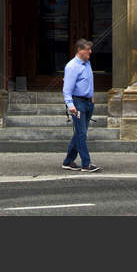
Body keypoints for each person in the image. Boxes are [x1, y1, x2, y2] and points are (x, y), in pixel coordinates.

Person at [61, 38, 100, 172]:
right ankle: (86, 164)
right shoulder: (72, 66)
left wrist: (91, 97)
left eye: (90, 48)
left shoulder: (87, 63)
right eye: (87, 49)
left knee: (79, 133)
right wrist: (70, 105)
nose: (90, 51)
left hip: (88, 102)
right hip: (78, 103)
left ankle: (68, 161)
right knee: (82, 134)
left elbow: (87, 82)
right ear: (79, 50)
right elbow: (67, 89)